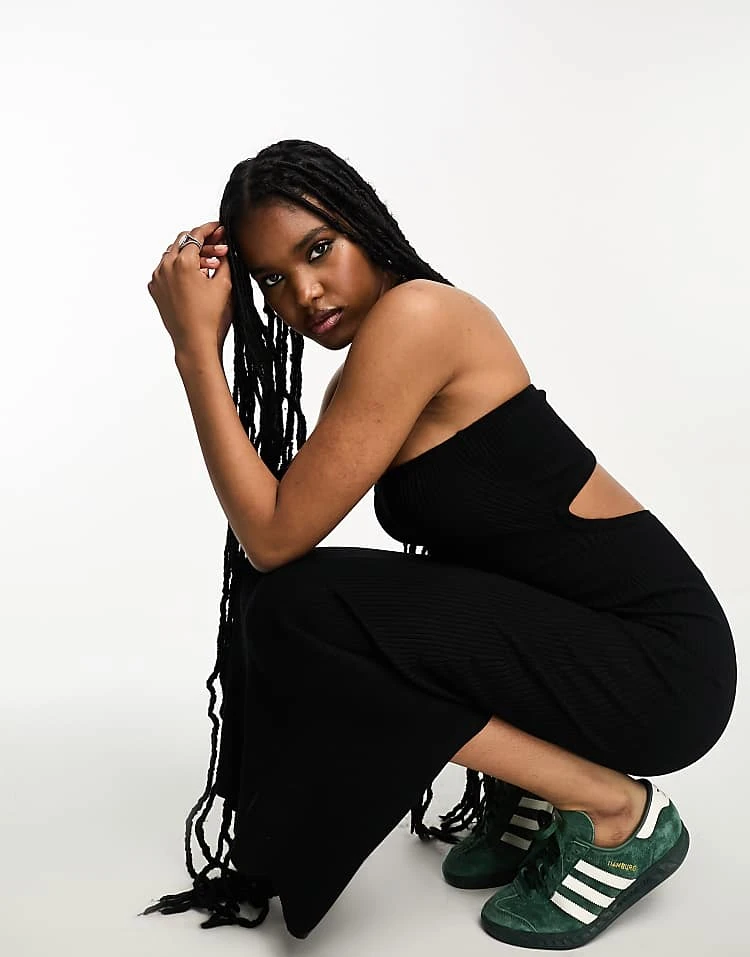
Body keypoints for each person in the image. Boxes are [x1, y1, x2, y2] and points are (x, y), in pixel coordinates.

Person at [140, 138, 736, 947]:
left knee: (299, 606)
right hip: (593, 652)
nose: (303, 293)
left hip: (661, 665)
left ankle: (613, 811)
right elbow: (281, 533)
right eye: (271, 279)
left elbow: (274, 539)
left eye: (318, 250)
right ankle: (539, 792)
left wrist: (193, 352)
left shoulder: (418, 317)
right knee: (303, 607)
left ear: (362, 224)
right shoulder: (368, 366)